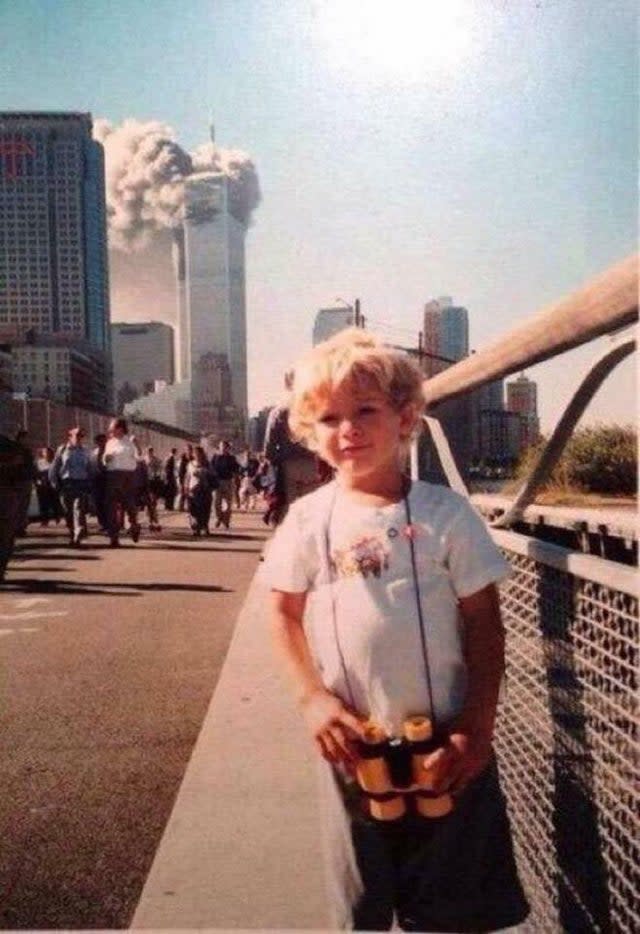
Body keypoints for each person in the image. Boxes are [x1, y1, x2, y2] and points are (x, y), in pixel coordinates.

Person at [263, 329, 529, 932]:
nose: (347, 429)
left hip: (447, 741)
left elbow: (485, 625)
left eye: (365, 411)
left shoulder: (446, 514)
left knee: (453, 904)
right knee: (360, 904)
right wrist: (312, 699)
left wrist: (476, 728)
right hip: (353, 742)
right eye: (328, 418)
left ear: (406, 416)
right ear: (310, 433)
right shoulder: (307, 520)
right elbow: (282, 611)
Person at [263, 371, 327, 524]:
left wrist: (272, 459)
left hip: (287, 465)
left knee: (289, 508)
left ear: (286, 385)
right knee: (313, 508)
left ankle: (290, 541)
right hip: (312, 463)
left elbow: (269, 443)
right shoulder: (314, 408)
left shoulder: (279, 411)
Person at [0, 432, 35, 582]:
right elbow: (27, 472)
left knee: (6, 534)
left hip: (7, 494)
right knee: (6, 536)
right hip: (9, 494)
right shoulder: (14, 447)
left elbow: (27, 471)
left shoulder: (14, 448)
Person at [49, 427, 93, 546]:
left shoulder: (85, 451)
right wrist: (53, 482)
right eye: (77, 435)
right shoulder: (62, 450)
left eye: (81, 436)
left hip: (81, 483)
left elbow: (89, 467)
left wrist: (90, 482)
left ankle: (78, 532)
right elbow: (54, 467)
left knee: (78, 508)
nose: (79, 438)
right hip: (66, 484)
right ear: (70, 436)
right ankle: (72, 533)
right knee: (67, 511)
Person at [102, 417, 142, 548]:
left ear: (120, 429)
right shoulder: (110, 443)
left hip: (128, 476)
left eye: (112, 428)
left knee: (130, 505)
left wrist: (137, 445)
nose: (110, 430)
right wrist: (106, 459)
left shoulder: (129, 442)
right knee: (112, 508)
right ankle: (114, 537)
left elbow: (139, 457)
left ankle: (134, 526)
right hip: (113, 475)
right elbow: (104, 459)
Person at [186, 445, 214, 536]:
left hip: (205, 489)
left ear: (202, 454)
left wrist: (203, 473)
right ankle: (196, 527)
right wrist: (186, 488)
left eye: (199, 453)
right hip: (193, 490)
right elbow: (188, 477)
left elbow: (212, 475)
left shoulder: (208, 464)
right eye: (195, 453)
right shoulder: (190, 464)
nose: (197, 455)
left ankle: (204, 526)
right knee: (193, 509)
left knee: (205, 509)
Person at [210, 440, 239, 529]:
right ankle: (219, 518)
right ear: (219, 447)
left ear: (228, 448)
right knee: (216, 504)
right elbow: (210, 469)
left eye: (225, 447)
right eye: (221, 446)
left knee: (228, 504)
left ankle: (226, 520)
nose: (223, 448)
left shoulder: (232, 458)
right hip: (217, 482)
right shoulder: (215, 457)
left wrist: (236, 479)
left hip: (228, 482)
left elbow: (236, 470)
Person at [35, 446, 62, 526]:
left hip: (53, 485)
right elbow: (35, 474)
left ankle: (57, 517)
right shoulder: (38, 462)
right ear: (42, 453)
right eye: (45, 452)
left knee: (55, 502)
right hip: (42, 486)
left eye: (48, 452)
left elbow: (58, 474)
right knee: (43, 504)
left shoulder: (55, 462)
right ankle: (44, 521)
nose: (46, 454)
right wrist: (37, 481)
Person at [89, 433, 108, 532]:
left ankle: (110, 523)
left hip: (107, 480)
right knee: (98, 503)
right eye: (100, 441)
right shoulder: (93, 453)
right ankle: (103, 523)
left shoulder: (110, 452)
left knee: (108, 503)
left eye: (104, 440)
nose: (102, 443)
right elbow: (90, 466)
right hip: (96, 480)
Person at [144, 446, 164, 532]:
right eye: (149, 451)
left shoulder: (156, 460)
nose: (150, 452)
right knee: (150, 503)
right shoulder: (144, 460)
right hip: (146, 482)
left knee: (153, 503)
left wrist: (158, 474)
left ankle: (153, 521)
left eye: (151, 451)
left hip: (154, 482)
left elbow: (160, 468)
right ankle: (152, 521)